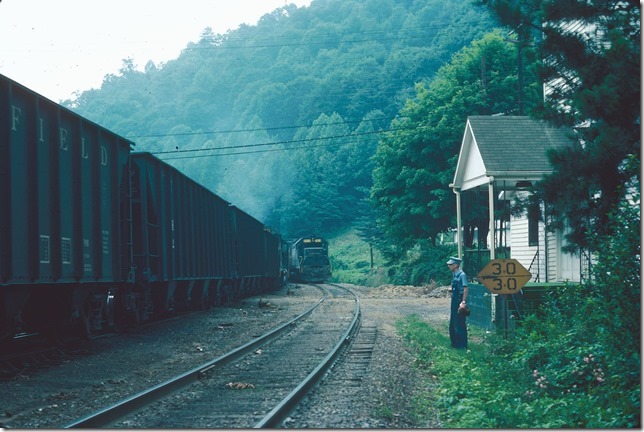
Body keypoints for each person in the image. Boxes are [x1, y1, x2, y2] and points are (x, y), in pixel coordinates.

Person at [447, 256, 468, 349]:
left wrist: (463, 302)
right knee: (453, 322)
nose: (449, 266)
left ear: (455, 265)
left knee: (460, 323)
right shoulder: (455, 274)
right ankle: (454, 343)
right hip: (454, 300)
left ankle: (462, 345)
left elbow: (465, 289)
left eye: (451, 264)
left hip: (459, 300)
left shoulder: (462, 275)